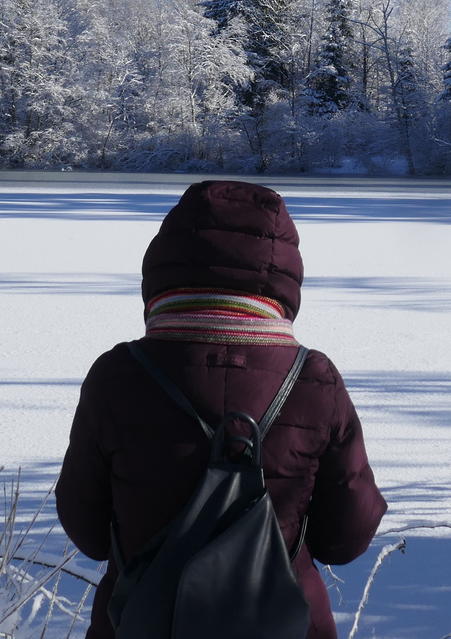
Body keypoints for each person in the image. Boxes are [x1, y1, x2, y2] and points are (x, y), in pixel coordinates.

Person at [57, 180, 386, 639]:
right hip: (286, 622)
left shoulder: (116, 377)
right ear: (282, 274)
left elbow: (87, 532)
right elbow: (346, 538)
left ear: (163, 265)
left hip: (140, 623)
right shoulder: (314, 380)